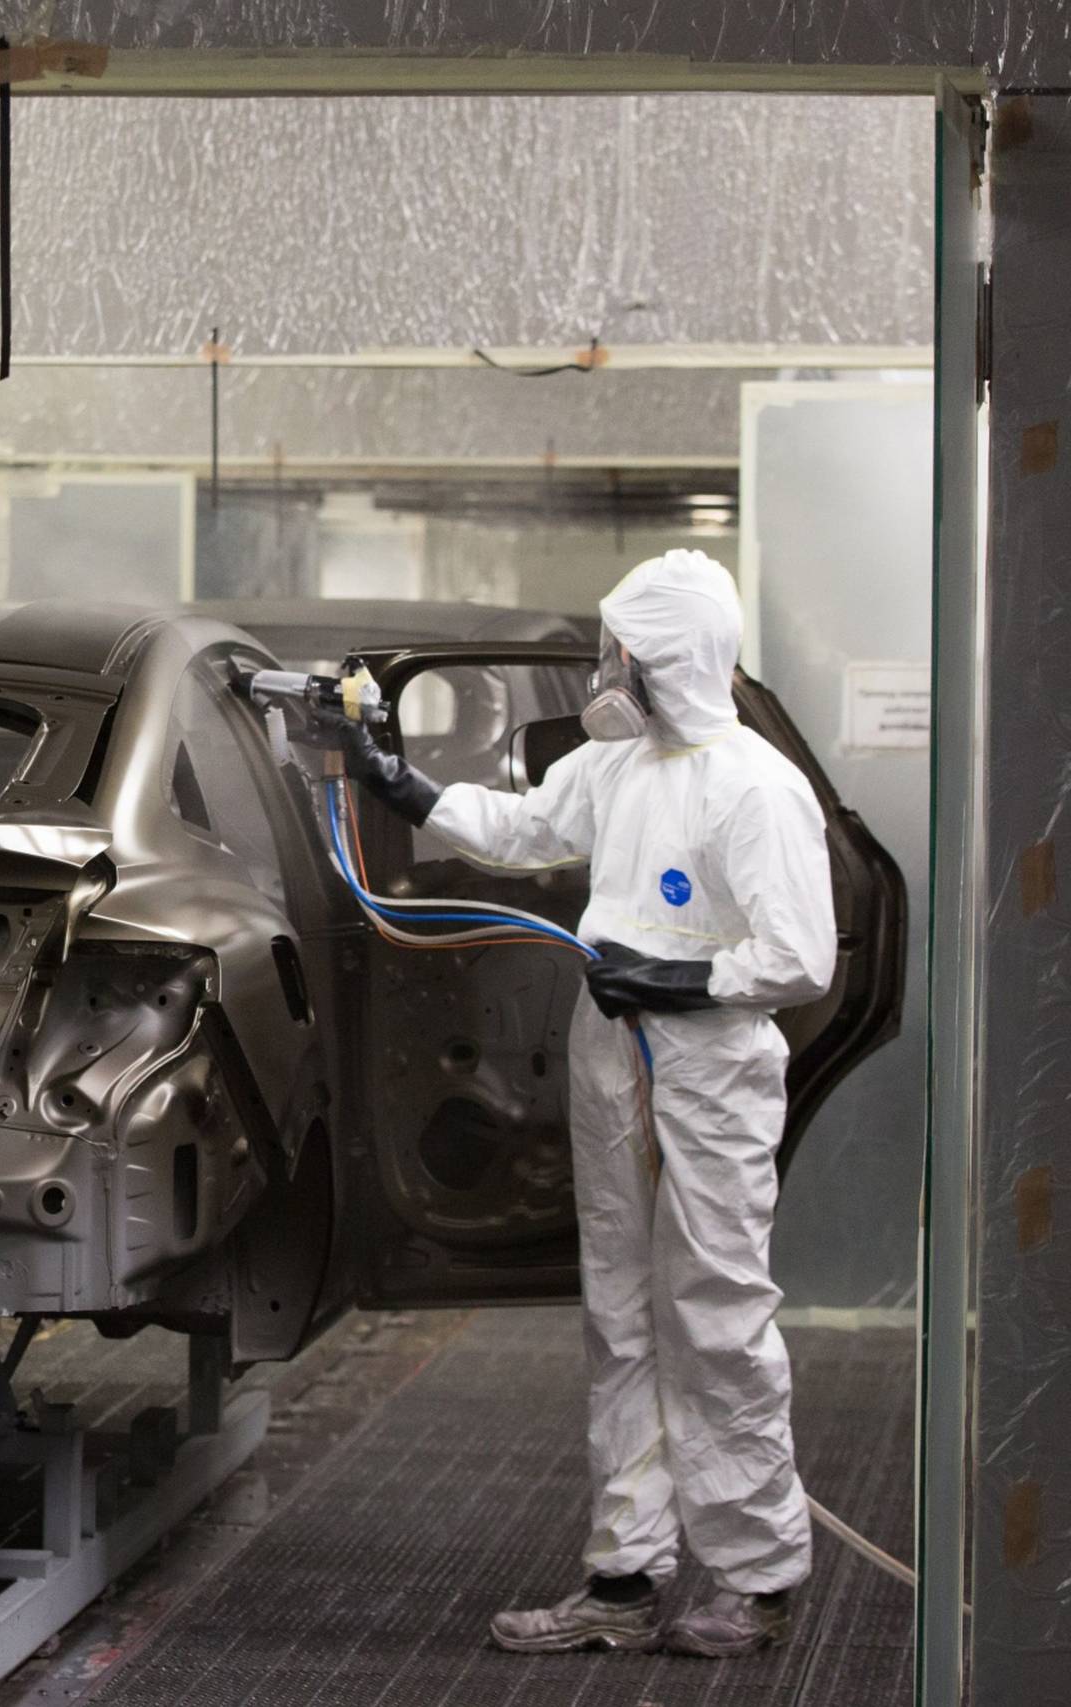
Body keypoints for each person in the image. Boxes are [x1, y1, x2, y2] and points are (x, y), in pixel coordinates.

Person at [331, 549, 837, 1658]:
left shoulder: (755, 786)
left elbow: (800, 957)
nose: (604, 667)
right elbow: (526, 829)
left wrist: (678, 980)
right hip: (612, 1053)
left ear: (668, 660)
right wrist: (402, 786)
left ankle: (753, 1583)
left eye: (619, 652)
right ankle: (622, 1577)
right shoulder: (618, 765)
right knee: (618, 1315)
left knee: (711, 1317)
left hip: (707, 1074)